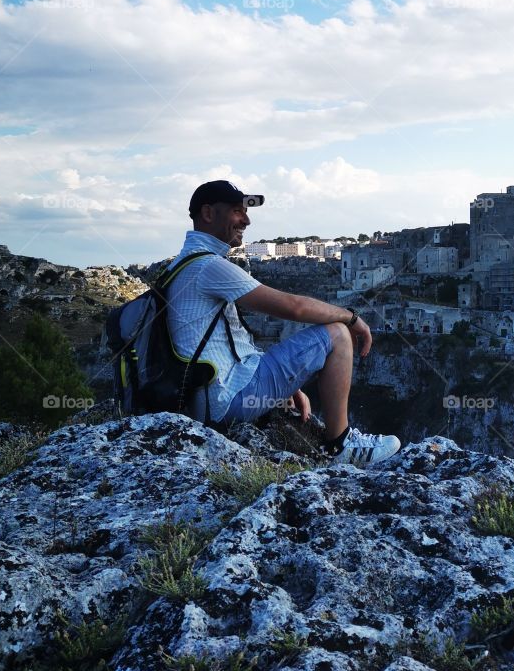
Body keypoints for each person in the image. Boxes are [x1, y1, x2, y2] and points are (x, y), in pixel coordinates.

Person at [168, 179, 400, 466]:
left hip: (204, 400)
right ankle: (341, 446)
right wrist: (351, 318)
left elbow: (226, 345)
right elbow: (295, 307)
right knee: (338, 334)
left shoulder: (179, 265)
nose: (247, 220)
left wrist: (287, 388)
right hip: (226, 403)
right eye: (237, 211)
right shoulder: (209, 266)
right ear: (208, 213)